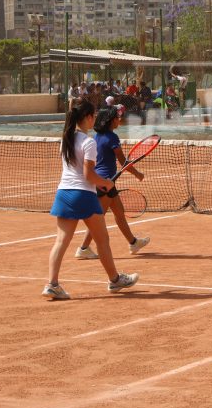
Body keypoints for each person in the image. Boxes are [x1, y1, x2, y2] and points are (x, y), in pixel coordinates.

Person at [43, 99, 140, 300]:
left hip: (63, 194)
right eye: (93, 115)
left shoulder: (66, 138)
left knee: (61, 241)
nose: (95, 118)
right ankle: (115, 280)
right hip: (83, 195)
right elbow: (89, 176)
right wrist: (106, 183)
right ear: (87, 117)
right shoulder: (89, 143)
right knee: (102, 240)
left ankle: (52, 284)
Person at [75, 105, 150, 260]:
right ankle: (83, 248)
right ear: (110, 120)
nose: (120, 120)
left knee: (119, 213)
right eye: (117, 117)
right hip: (105, 183)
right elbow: (123, 161)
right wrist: (137, 174)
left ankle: (133, 242)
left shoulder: (96, 138)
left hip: (104, 182)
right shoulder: (112, 137)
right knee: (98, 217)